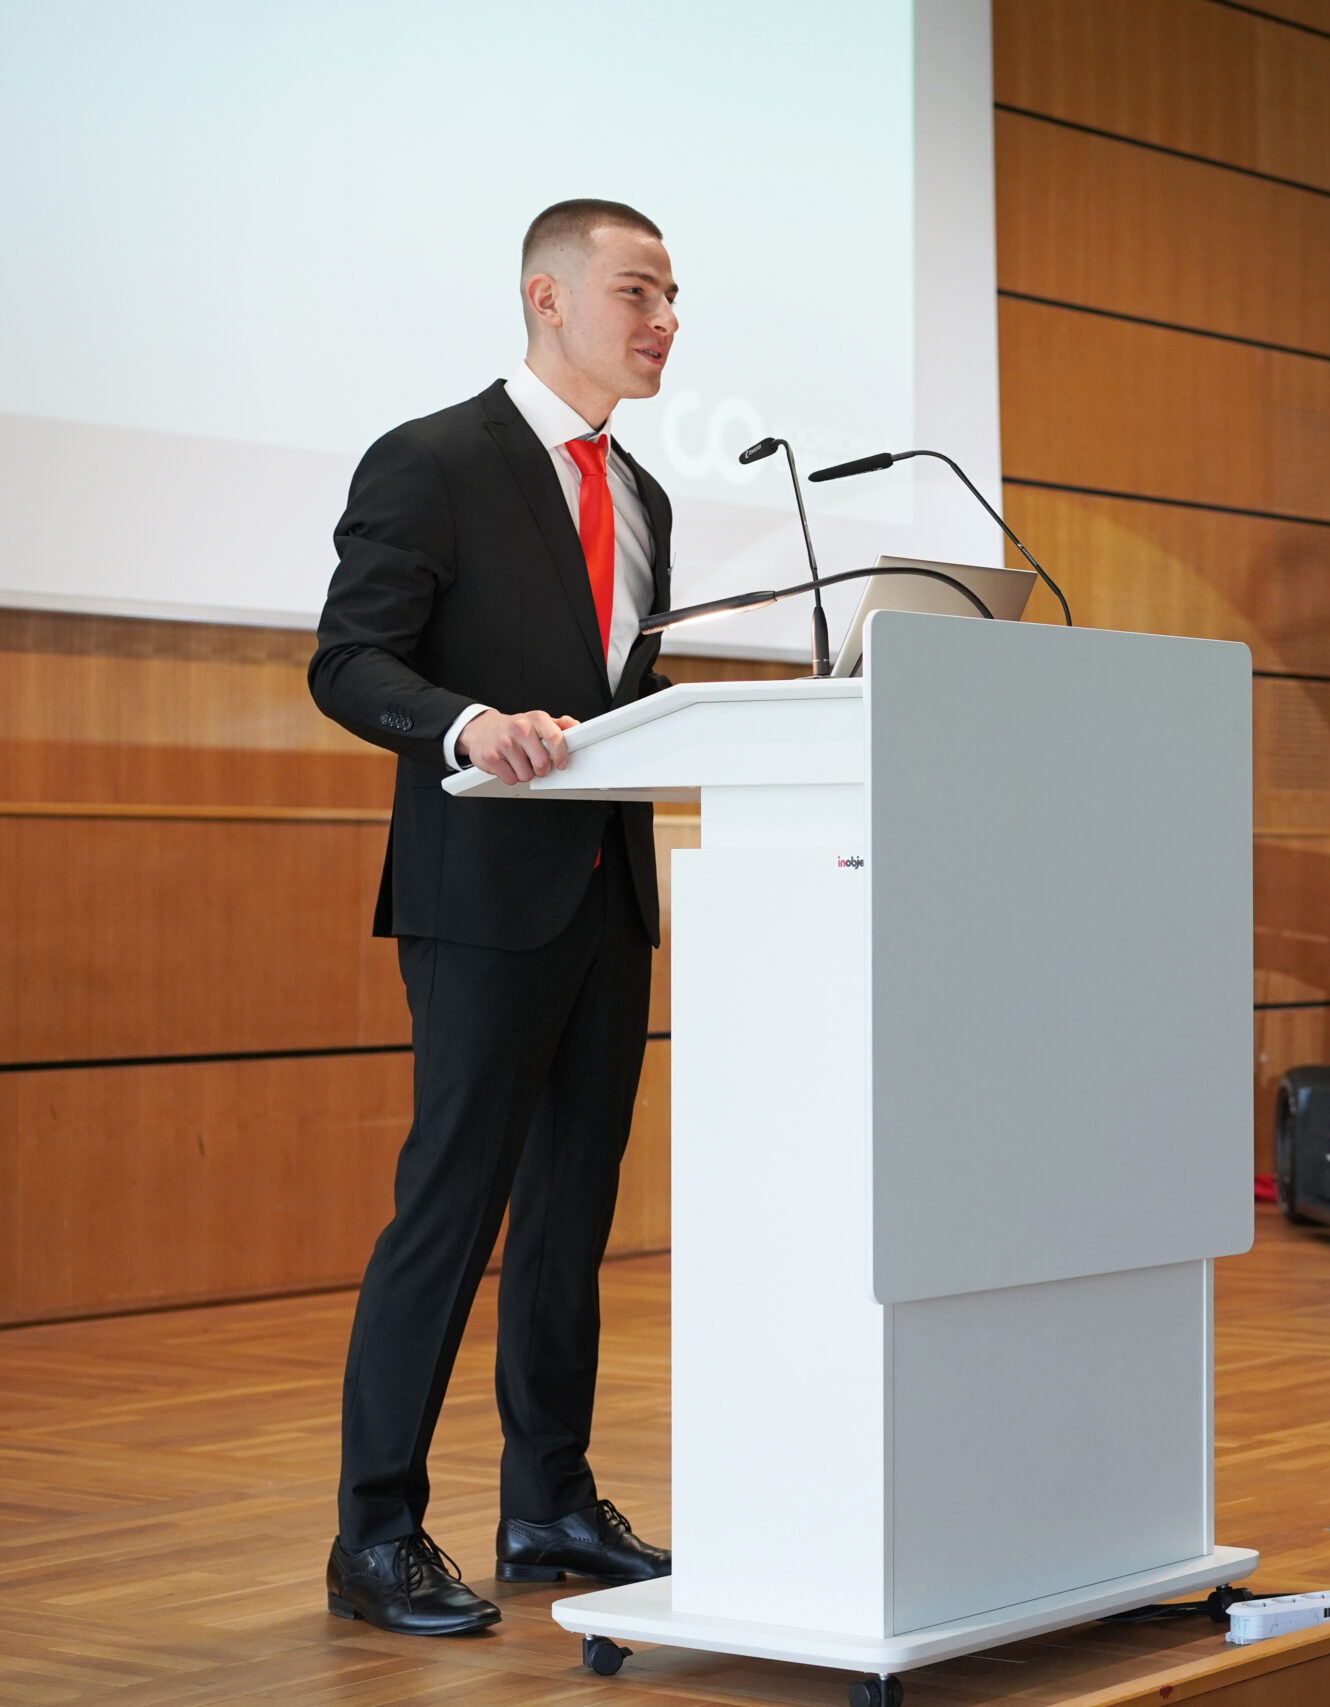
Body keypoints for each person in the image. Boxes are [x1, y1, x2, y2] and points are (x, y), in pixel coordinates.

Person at [308, 198, 681, 1636]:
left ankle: (549, 1505)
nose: (662, 321)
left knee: (572, 1215)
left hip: (608, 896)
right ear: (547, 298)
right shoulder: (434, 460)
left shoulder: (642, 494)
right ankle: (377, 1533)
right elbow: (349, 662)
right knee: (450, 1210)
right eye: (637, 290)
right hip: (480, 899)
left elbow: (628, 703)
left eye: (671, 297)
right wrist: (462, 723)